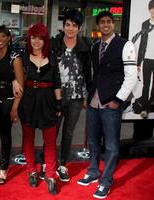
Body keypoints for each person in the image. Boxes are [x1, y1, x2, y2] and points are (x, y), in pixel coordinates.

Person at [77, 11, 137, 199]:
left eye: (109, 22)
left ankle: (106, 181)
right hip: (94, 102)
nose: (105, 25)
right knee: (93, 141)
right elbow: (96, 75)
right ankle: (93, 172)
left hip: (112, 103)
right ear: (98, 25)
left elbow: (131, 76)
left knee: (111, 145)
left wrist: (117, 100)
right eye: (102, 22)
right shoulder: (96, 46)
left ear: (114, 24)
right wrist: (88, 98)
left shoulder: (125, 44)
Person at [18, 23, 62, 195]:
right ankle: (31, 171)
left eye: (40, 38)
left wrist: (58, 103)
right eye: (33, 37)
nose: (36, 41)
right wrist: (15, 81)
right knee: (28, 139)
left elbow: (57, 82)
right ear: (29, 39)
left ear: (45, 40)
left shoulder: (52, 56)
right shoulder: (22, 56)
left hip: (48, 101)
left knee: (50, 141)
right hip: (28, 101)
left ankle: (50, 176)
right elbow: (15, 76)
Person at [49, 10, 91, 182]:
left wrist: (86, 96)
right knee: (52, 132)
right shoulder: (54, 44)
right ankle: (49, 163)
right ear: (63, 26)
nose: (70, 28)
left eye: (74, 25)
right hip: (56, 96)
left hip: (75, 98)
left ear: (79, 28)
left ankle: (63, 164)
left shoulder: (85, 47)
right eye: (67, 24)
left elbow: (88, 73)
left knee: (68, 132)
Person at [0, 25, 24, 185]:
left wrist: (15, 107)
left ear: (9, 38)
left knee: (5, 135)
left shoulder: (15, 57)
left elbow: (21, 84)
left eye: (2, 36)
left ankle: (4, 167)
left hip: (7, 101)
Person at [132, 0, 154, 114]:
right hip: (147, 58)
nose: (153, 10)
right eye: (152, 8)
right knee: (146, 83)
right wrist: (138, 62)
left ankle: (152, 103)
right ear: (149, 9)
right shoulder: (145, 24)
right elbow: (141, 44)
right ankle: (144, 103)